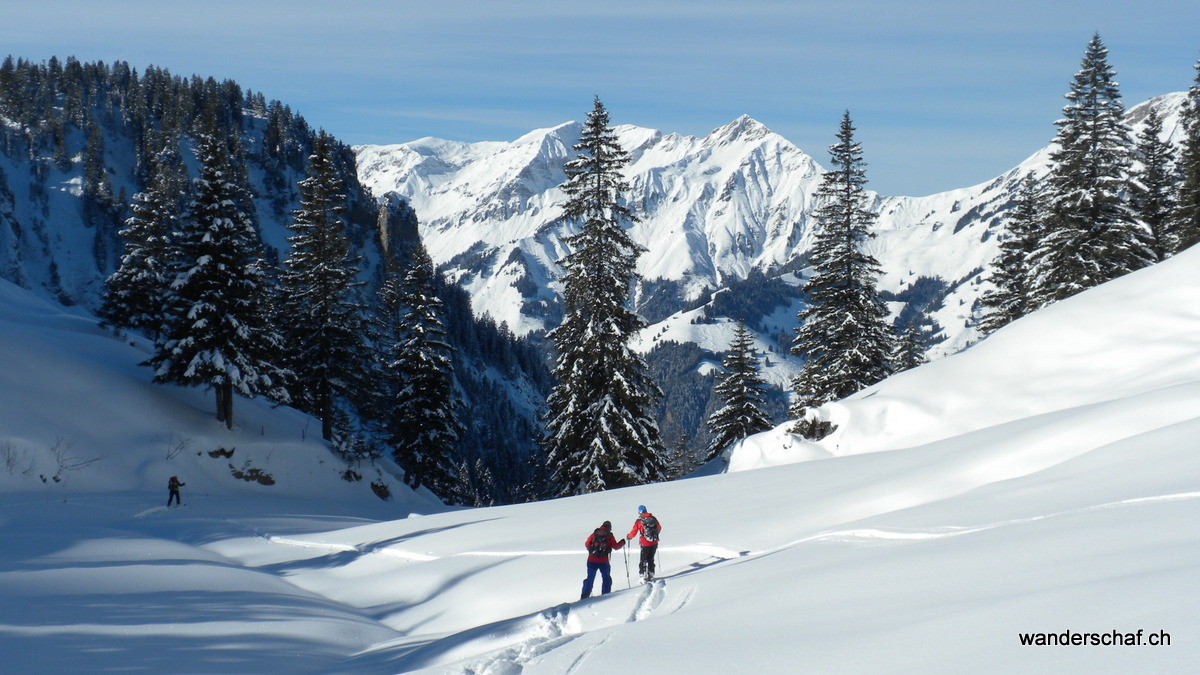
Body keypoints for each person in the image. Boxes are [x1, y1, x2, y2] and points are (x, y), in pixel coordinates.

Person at [581, 520, 625, 599]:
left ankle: (585, 595)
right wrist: (622, 542)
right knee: (606, 578)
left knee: (590, 578)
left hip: (591, 560)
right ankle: (605, 595)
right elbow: (616, 546)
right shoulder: (609, 535)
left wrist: (592, 550)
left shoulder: (595, 533)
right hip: (603, 561)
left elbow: (587, 543)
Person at [626, 505, 661, 582]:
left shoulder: (639, 521)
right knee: (651, 559)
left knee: (643, 559)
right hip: (654, 542)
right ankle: (651, 573)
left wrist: (629, 536)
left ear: (639, 512)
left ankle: (643, 575)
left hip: (644, 543)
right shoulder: (653, 519)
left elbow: (634, 531)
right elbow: (659, 528)